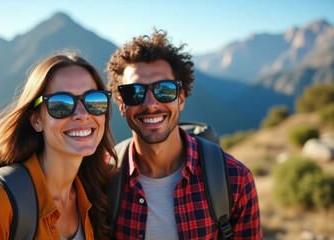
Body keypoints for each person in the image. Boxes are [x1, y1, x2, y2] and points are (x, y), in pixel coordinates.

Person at [106, 29, 262, 239]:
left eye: (164, 90)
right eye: (134, 92)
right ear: (121, 105)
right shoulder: (103, 178)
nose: (151, 104)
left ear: (180, 98)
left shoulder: (235, 179)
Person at [0, 52, 117, 239]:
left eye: (94, 100)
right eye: (61, 104)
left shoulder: (94, 196)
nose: (82, 114)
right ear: (36, 121)